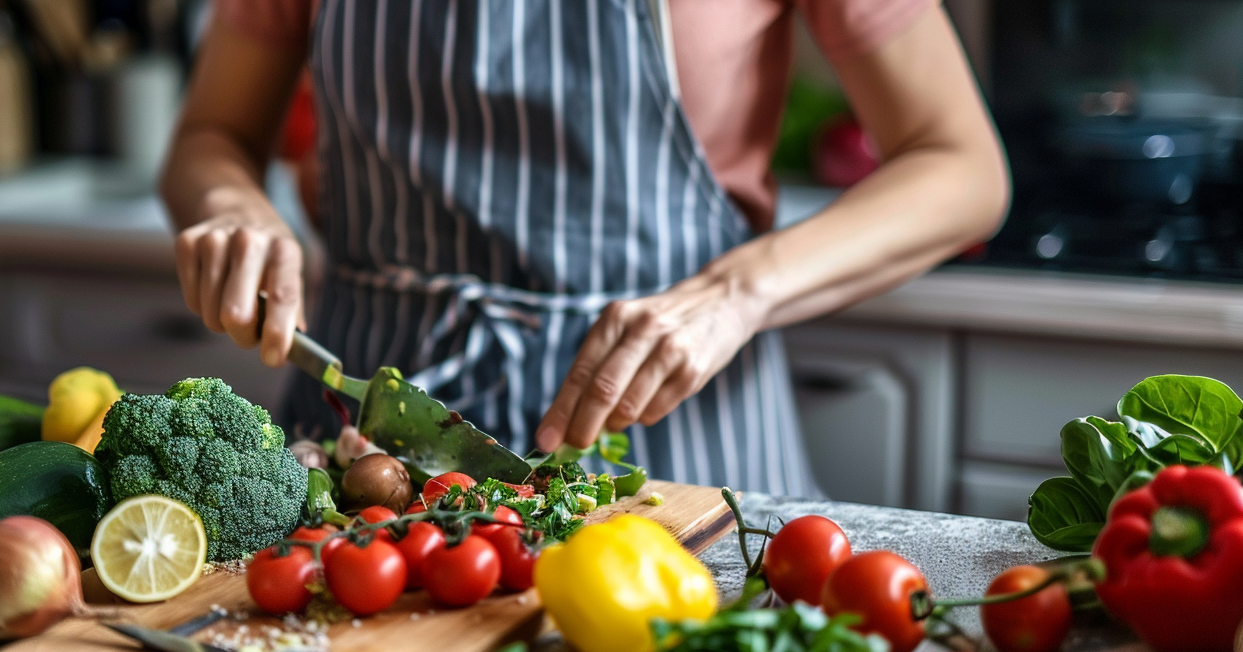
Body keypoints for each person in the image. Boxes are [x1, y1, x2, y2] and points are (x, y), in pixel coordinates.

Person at [159, 0, 1008, 491]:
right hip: (361, 452)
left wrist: (738, 290)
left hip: (678, 437)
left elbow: (963, 166)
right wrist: (236, 204)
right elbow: (212, 133)